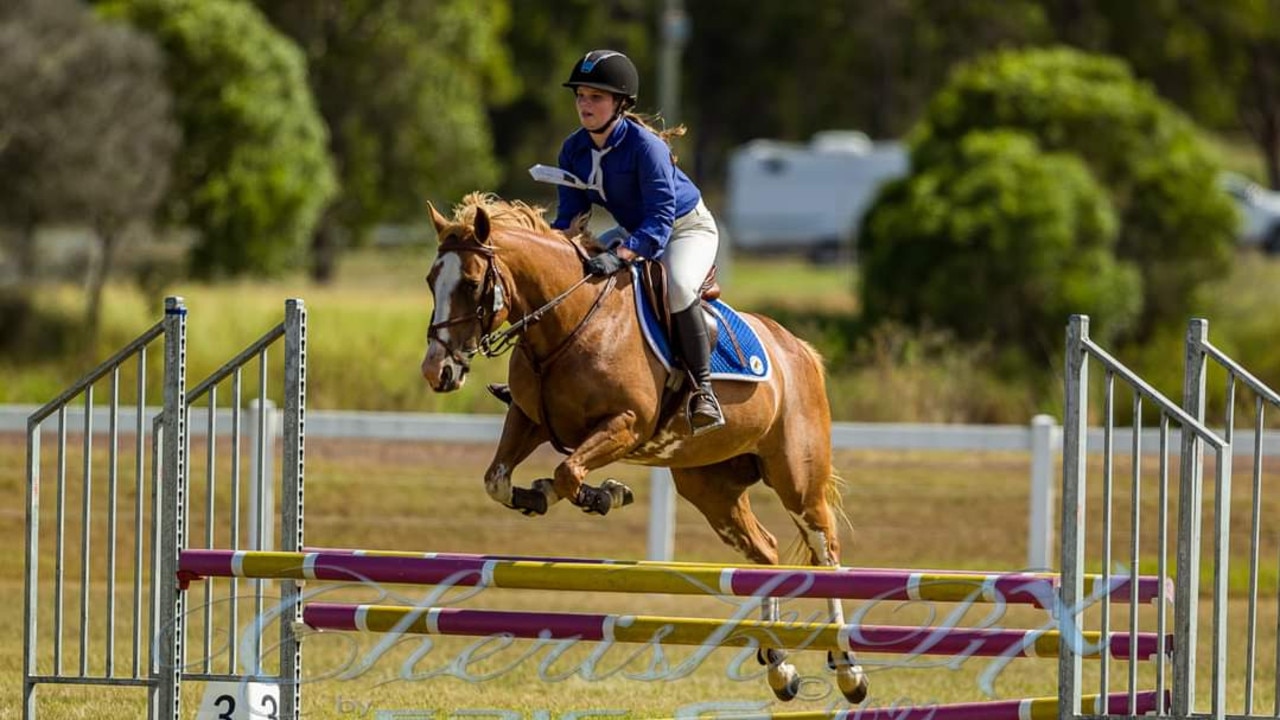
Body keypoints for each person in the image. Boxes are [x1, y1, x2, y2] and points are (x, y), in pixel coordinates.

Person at [503, 49, 726, 435]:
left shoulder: (646, 148)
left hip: (684, 229)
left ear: (620, 103)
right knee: (570, 280)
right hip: (636, 229)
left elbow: (659, 222)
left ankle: (702, 390)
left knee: (677, 287)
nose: (585, 105)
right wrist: (553, 253)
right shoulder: (573, 149)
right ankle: (540, 380)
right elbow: (570, 219)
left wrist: (621, 254)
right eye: (581, 96)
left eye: (596, 97)